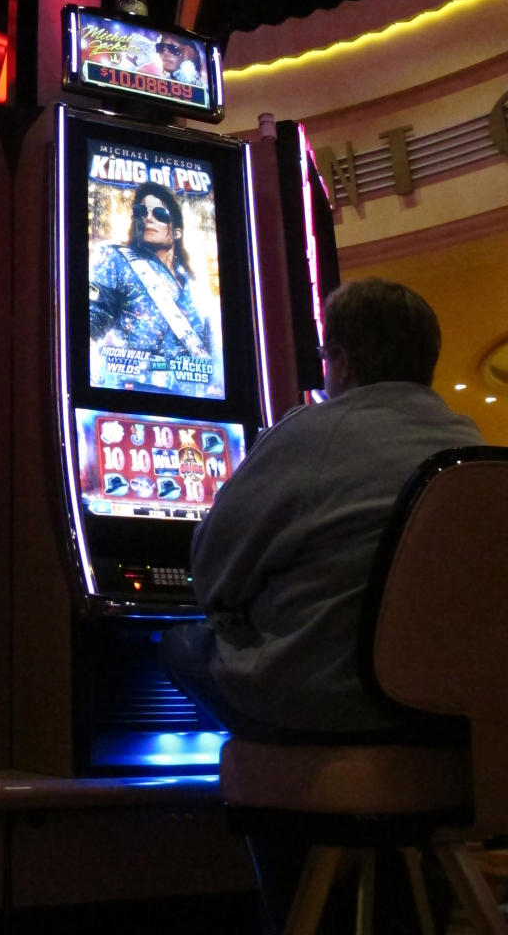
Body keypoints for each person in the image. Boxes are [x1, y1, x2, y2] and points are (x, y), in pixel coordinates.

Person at [162, 278, 483, 933]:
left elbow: (211, 576)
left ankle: (285, 882)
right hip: (458, 734)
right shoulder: (475, 449)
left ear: (339, 360)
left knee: (177, 643)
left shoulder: (309, 435)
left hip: (327, 709)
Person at [89, 180, 214, 395]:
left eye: (160, 213)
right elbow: (92, 319)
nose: (148, 218)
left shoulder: (195, 287)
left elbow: (210, 357)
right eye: (141, 211)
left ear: (176, 232)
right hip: (128, 391)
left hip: (191, 402)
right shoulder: (116, 259)